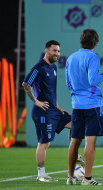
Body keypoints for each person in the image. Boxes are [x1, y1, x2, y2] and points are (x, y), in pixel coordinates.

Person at [22, 40, 82, 182]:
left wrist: (57, 106)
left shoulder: (53, 67)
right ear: (46, 51)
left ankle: (76, 158)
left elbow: (50, 91)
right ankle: (41, 174)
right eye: (54, 51)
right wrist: (36, 102)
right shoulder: (39, 67)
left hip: (54, 110)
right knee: (44, 143)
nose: (57, 54)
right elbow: (26, 84)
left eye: (58, 51)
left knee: (75, 126)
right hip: (43, 112)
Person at [65, 29, 103, 185]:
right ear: (96, 42)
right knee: (89, 142)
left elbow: (68, 83)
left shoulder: (71, 57)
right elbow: (93, 80)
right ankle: (87, 179)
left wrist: (77, 95)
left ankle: (70, 178)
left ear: (81, 41)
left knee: (74, 141)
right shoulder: (93, 57)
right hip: (92, 105)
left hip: (77, 104)